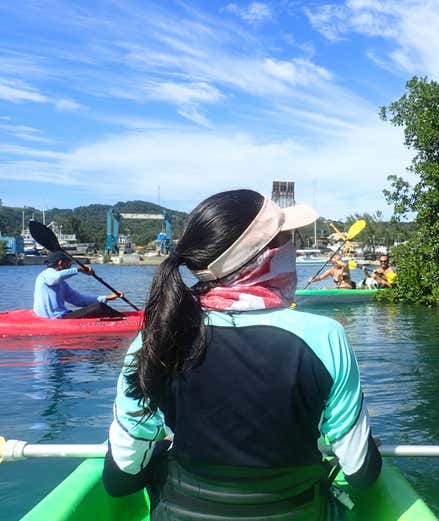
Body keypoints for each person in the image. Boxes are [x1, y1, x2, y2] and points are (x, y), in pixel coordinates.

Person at [102, 189, 382, 521]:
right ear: (267, 255)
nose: (292, 248)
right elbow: (362, 474)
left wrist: (163, 448)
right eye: (288, 239)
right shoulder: (325, 337)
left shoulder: (156, 338)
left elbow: (120, 480)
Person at [33, 251, 124, 319]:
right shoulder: (45, 275)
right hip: (54, 318)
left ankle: (121, 317)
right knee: (99, 307)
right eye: (69, 263)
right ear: (60, 263)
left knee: (98, 306)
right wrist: (78, 270)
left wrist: (107, 298)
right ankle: (124, 320)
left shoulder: (63, 284)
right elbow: (57, 277)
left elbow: (80, 300)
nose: (70, 265)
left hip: (63, 315)